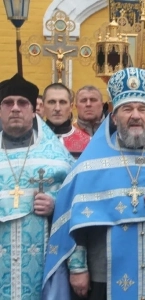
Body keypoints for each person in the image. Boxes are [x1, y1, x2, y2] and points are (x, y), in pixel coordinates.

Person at [42, 67, 145, 300]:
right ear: (114, 116)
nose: (136, 115)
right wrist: (78, 267)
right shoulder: (92, 164)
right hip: (104, 274)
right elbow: (72, 219)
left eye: (142, 109)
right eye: (127, 109)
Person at [0, 74, 74, 299]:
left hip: (43, 264)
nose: (15, 108)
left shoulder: (58, 159)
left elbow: (79, 206)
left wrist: (56, 206)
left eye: (22, 103)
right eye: (8, 103)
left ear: (34, 111)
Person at [43, 83, 90, 158]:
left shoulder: (88, 143)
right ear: (43, 106)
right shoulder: (31, 140)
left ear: (71, 107)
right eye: (51, 102)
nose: (57, 108)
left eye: (62, 102)